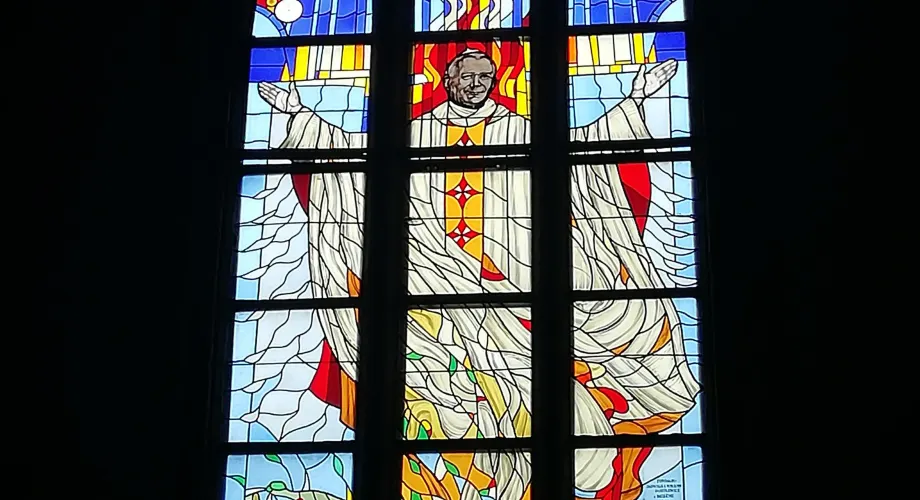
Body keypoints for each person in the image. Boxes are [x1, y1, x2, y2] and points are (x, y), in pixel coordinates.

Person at [255, 48, 698, 500]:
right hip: (427, 287)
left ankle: (535, 475)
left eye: (485, 77)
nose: (476, 85)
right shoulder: (416, 134)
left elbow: (583, 150)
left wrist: (634, 103)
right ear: (447, 79)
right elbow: (354, 158)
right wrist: (299, 115)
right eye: (467, 76)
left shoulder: (520, 131)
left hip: (514, 291)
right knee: (443, 392)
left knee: (527, 386)